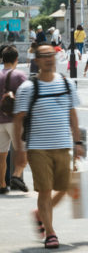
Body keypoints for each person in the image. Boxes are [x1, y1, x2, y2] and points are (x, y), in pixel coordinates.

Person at [12, 43, 84, 250]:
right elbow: (18, 120)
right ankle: (51, 233)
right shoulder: (28, 88)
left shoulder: (66, 83)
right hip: (38, 149)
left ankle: (39, 215)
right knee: (44, 191)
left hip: (63, 146)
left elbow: (73, 114)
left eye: (51, 55)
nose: (48, 59)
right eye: (43, 56)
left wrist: (78, 142)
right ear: (36, 60)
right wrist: (20, 150)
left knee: (64, 186)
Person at [1, 45, 29, 194]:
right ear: (16, 59)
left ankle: (2, 185)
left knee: (1, 155)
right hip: (15, 120)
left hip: (0, 121)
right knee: (22, 151)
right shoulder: (19, 75)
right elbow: (28, 95)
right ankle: (17, 175)